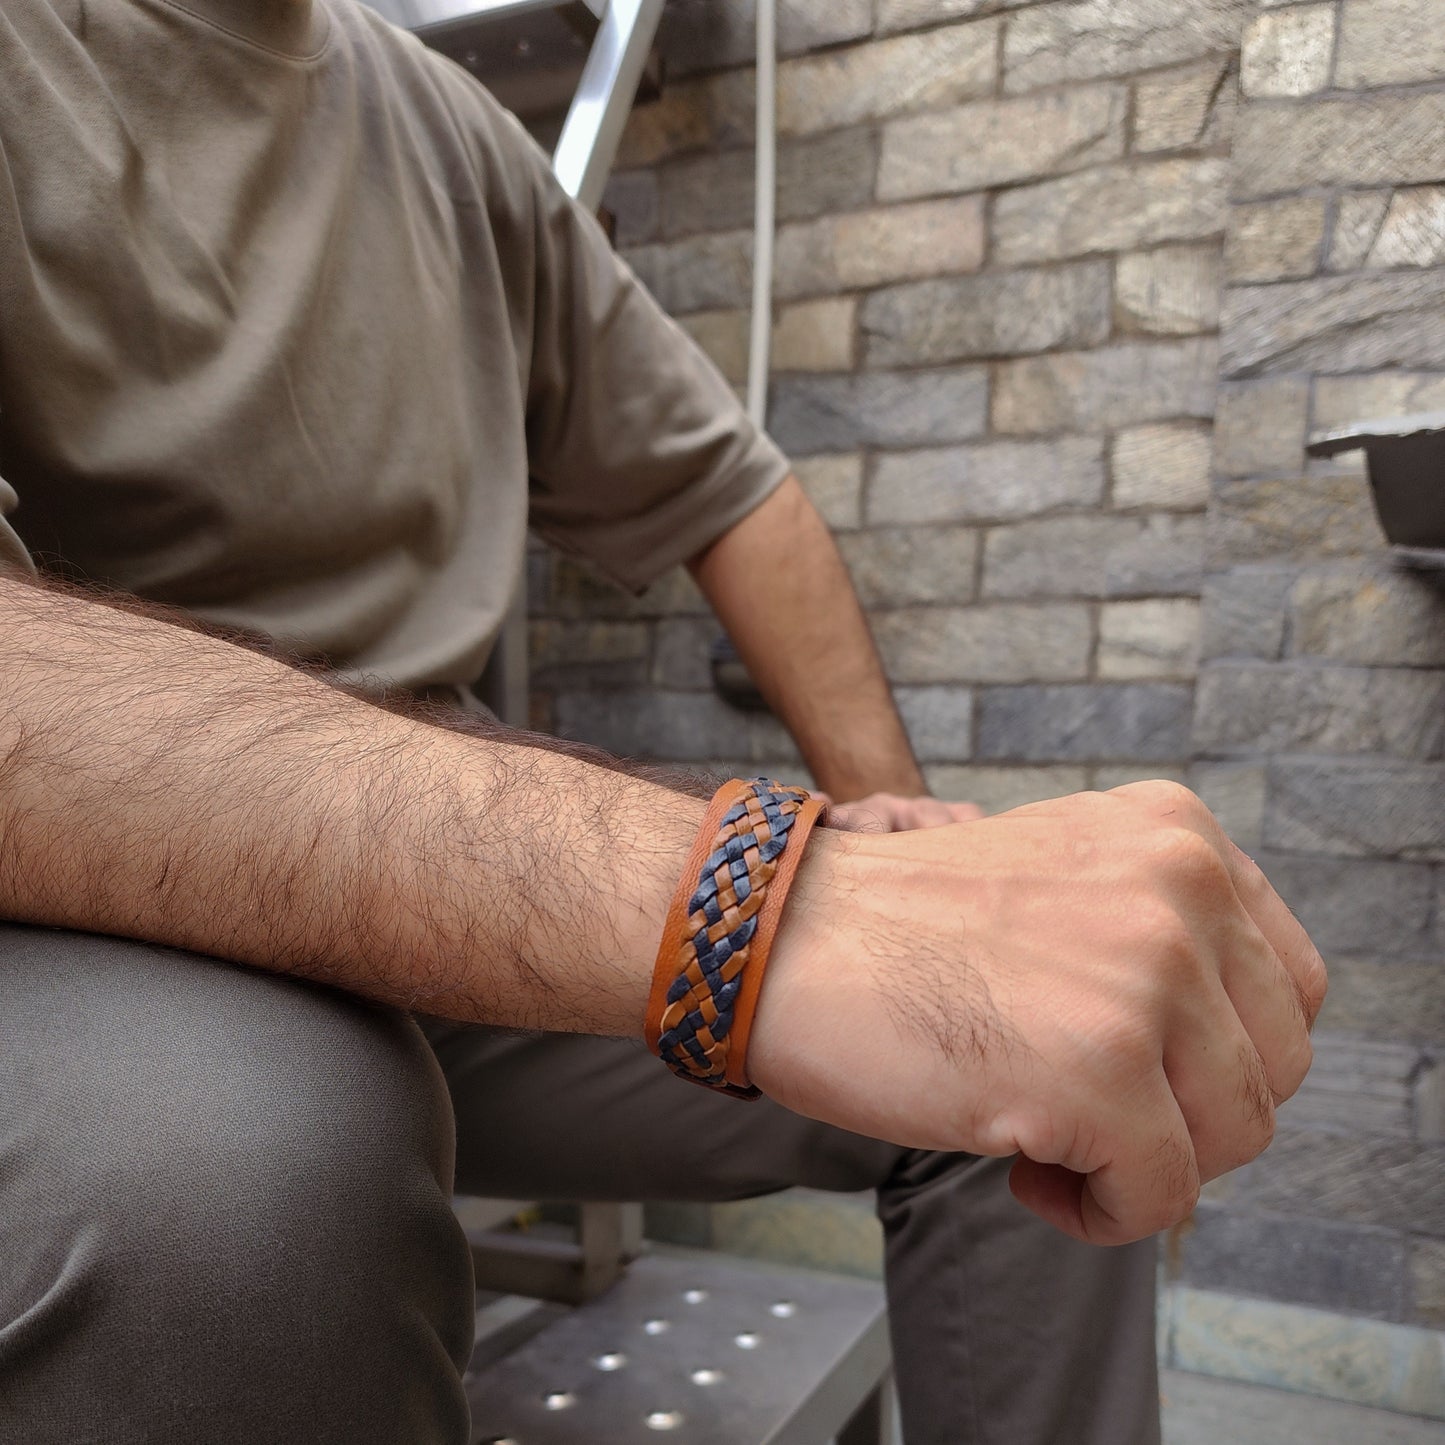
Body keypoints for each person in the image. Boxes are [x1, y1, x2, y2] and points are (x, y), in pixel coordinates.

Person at [0, 1, 1324, 1441]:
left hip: (453, 920)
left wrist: (905, 837)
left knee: (1034, 1052)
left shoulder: (441, 122)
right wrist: (757, 905)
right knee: (232, 1189)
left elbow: (731, 490)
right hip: (96, 915)